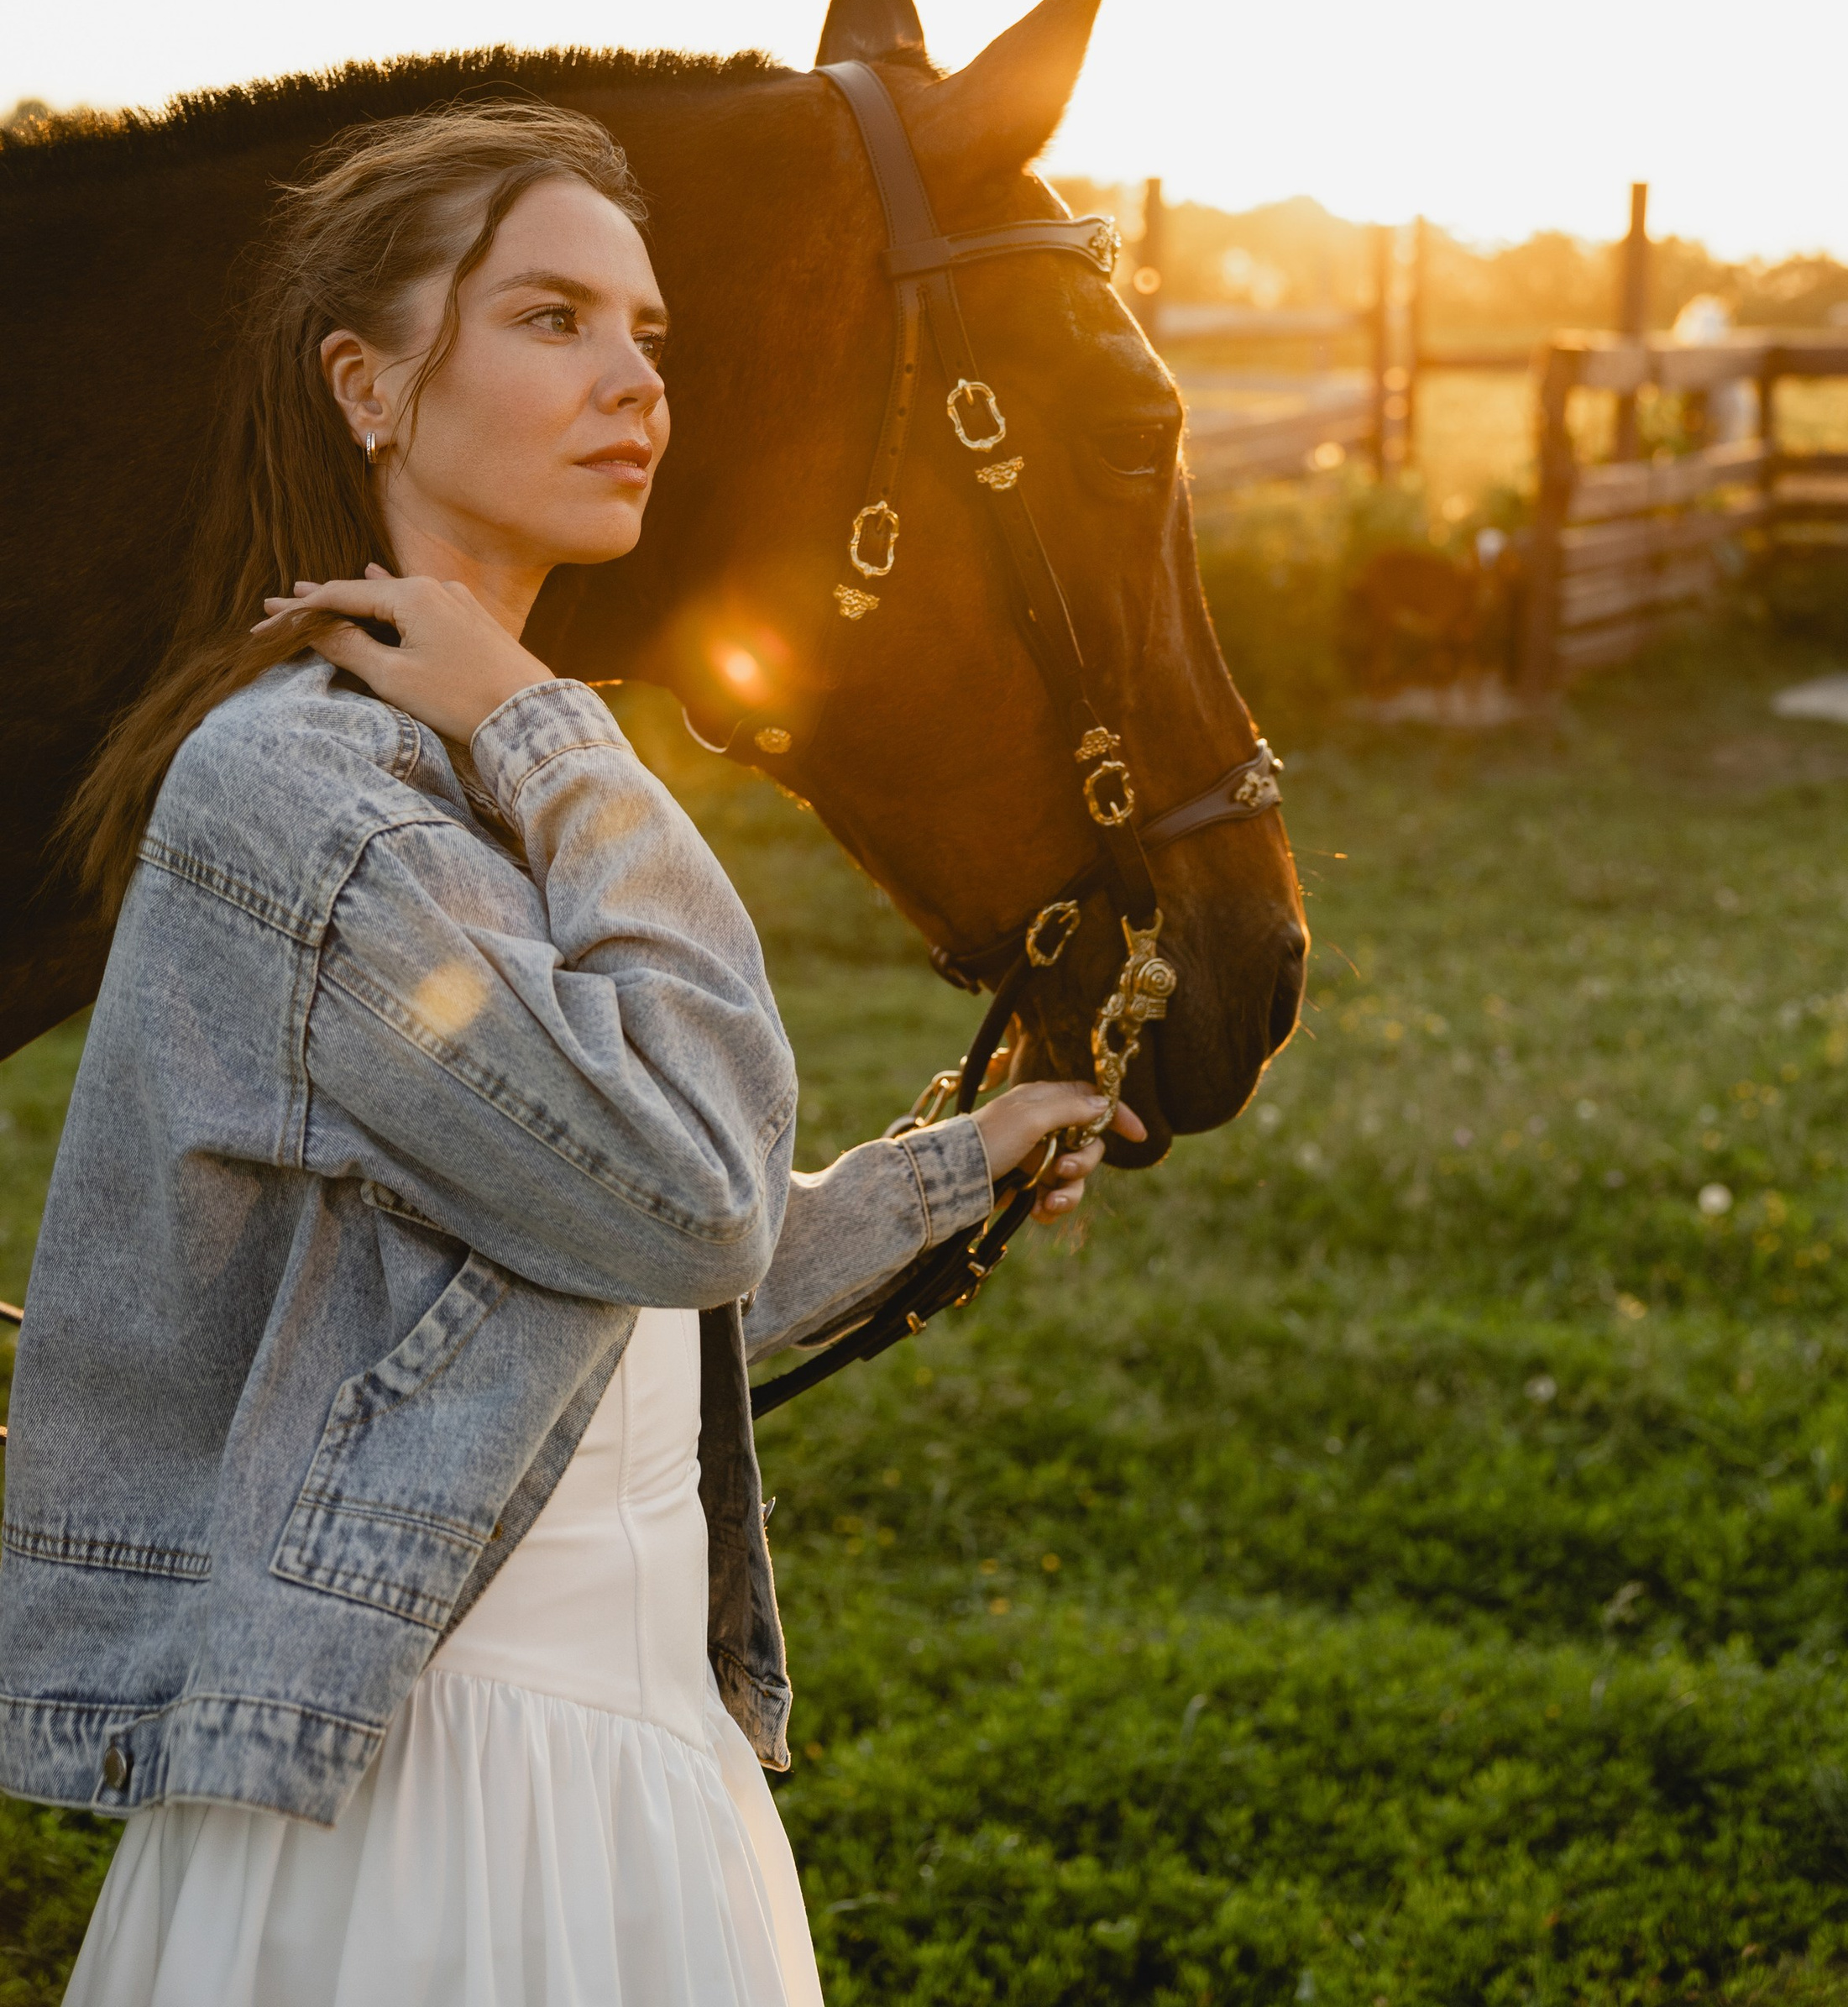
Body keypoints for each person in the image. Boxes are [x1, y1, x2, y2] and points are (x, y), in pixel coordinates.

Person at [0, 102, 1132, 2007]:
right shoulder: (307, 792)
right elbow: (683, 1205)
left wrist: (957, 1164)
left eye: (649, 334)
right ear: (365, 386)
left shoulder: (466, 769)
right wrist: (551, 724)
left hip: (621, 1769)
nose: (633, 385)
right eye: (551, 320)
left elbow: (587, 1287)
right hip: (422, 1810)